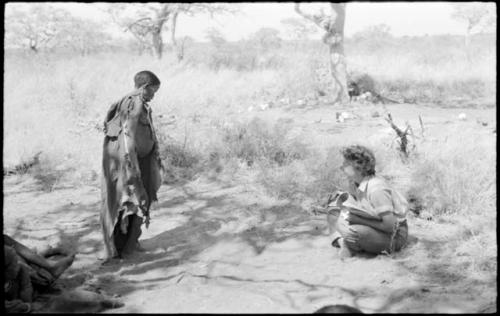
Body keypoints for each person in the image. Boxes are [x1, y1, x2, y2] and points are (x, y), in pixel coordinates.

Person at [101, 70, 162, 261]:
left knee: (137, 198)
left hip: (137, 161)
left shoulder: (138, 102)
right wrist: (131, 169)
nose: (154, 95)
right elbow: (128, 137)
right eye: (153, 90)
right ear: (144, 88)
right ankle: (119, 249)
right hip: (127, 162)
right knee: (126, 199)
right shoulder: (133, 103)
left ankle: (130, 244)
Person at [328, 145, 409, 258]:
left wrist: (359, 220)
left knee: (353, 232)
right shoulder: (356, 183)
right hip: (375, 225)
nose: (341, 167)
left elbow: (391, 226)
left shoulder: (377, 189)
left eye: (345, 164)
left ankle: (348, 243)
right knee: (333, 213)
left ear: (359, 166)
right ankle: (345, 243)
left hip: (394, 235)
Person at [4, 234, 76, 312]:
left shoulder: (21, 269)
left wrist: (27, 304)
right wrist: (24, 307)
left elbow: (26, 289)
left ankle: (47, 267)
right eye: (14, 265)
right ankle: (43, 269)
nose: (17, 265)